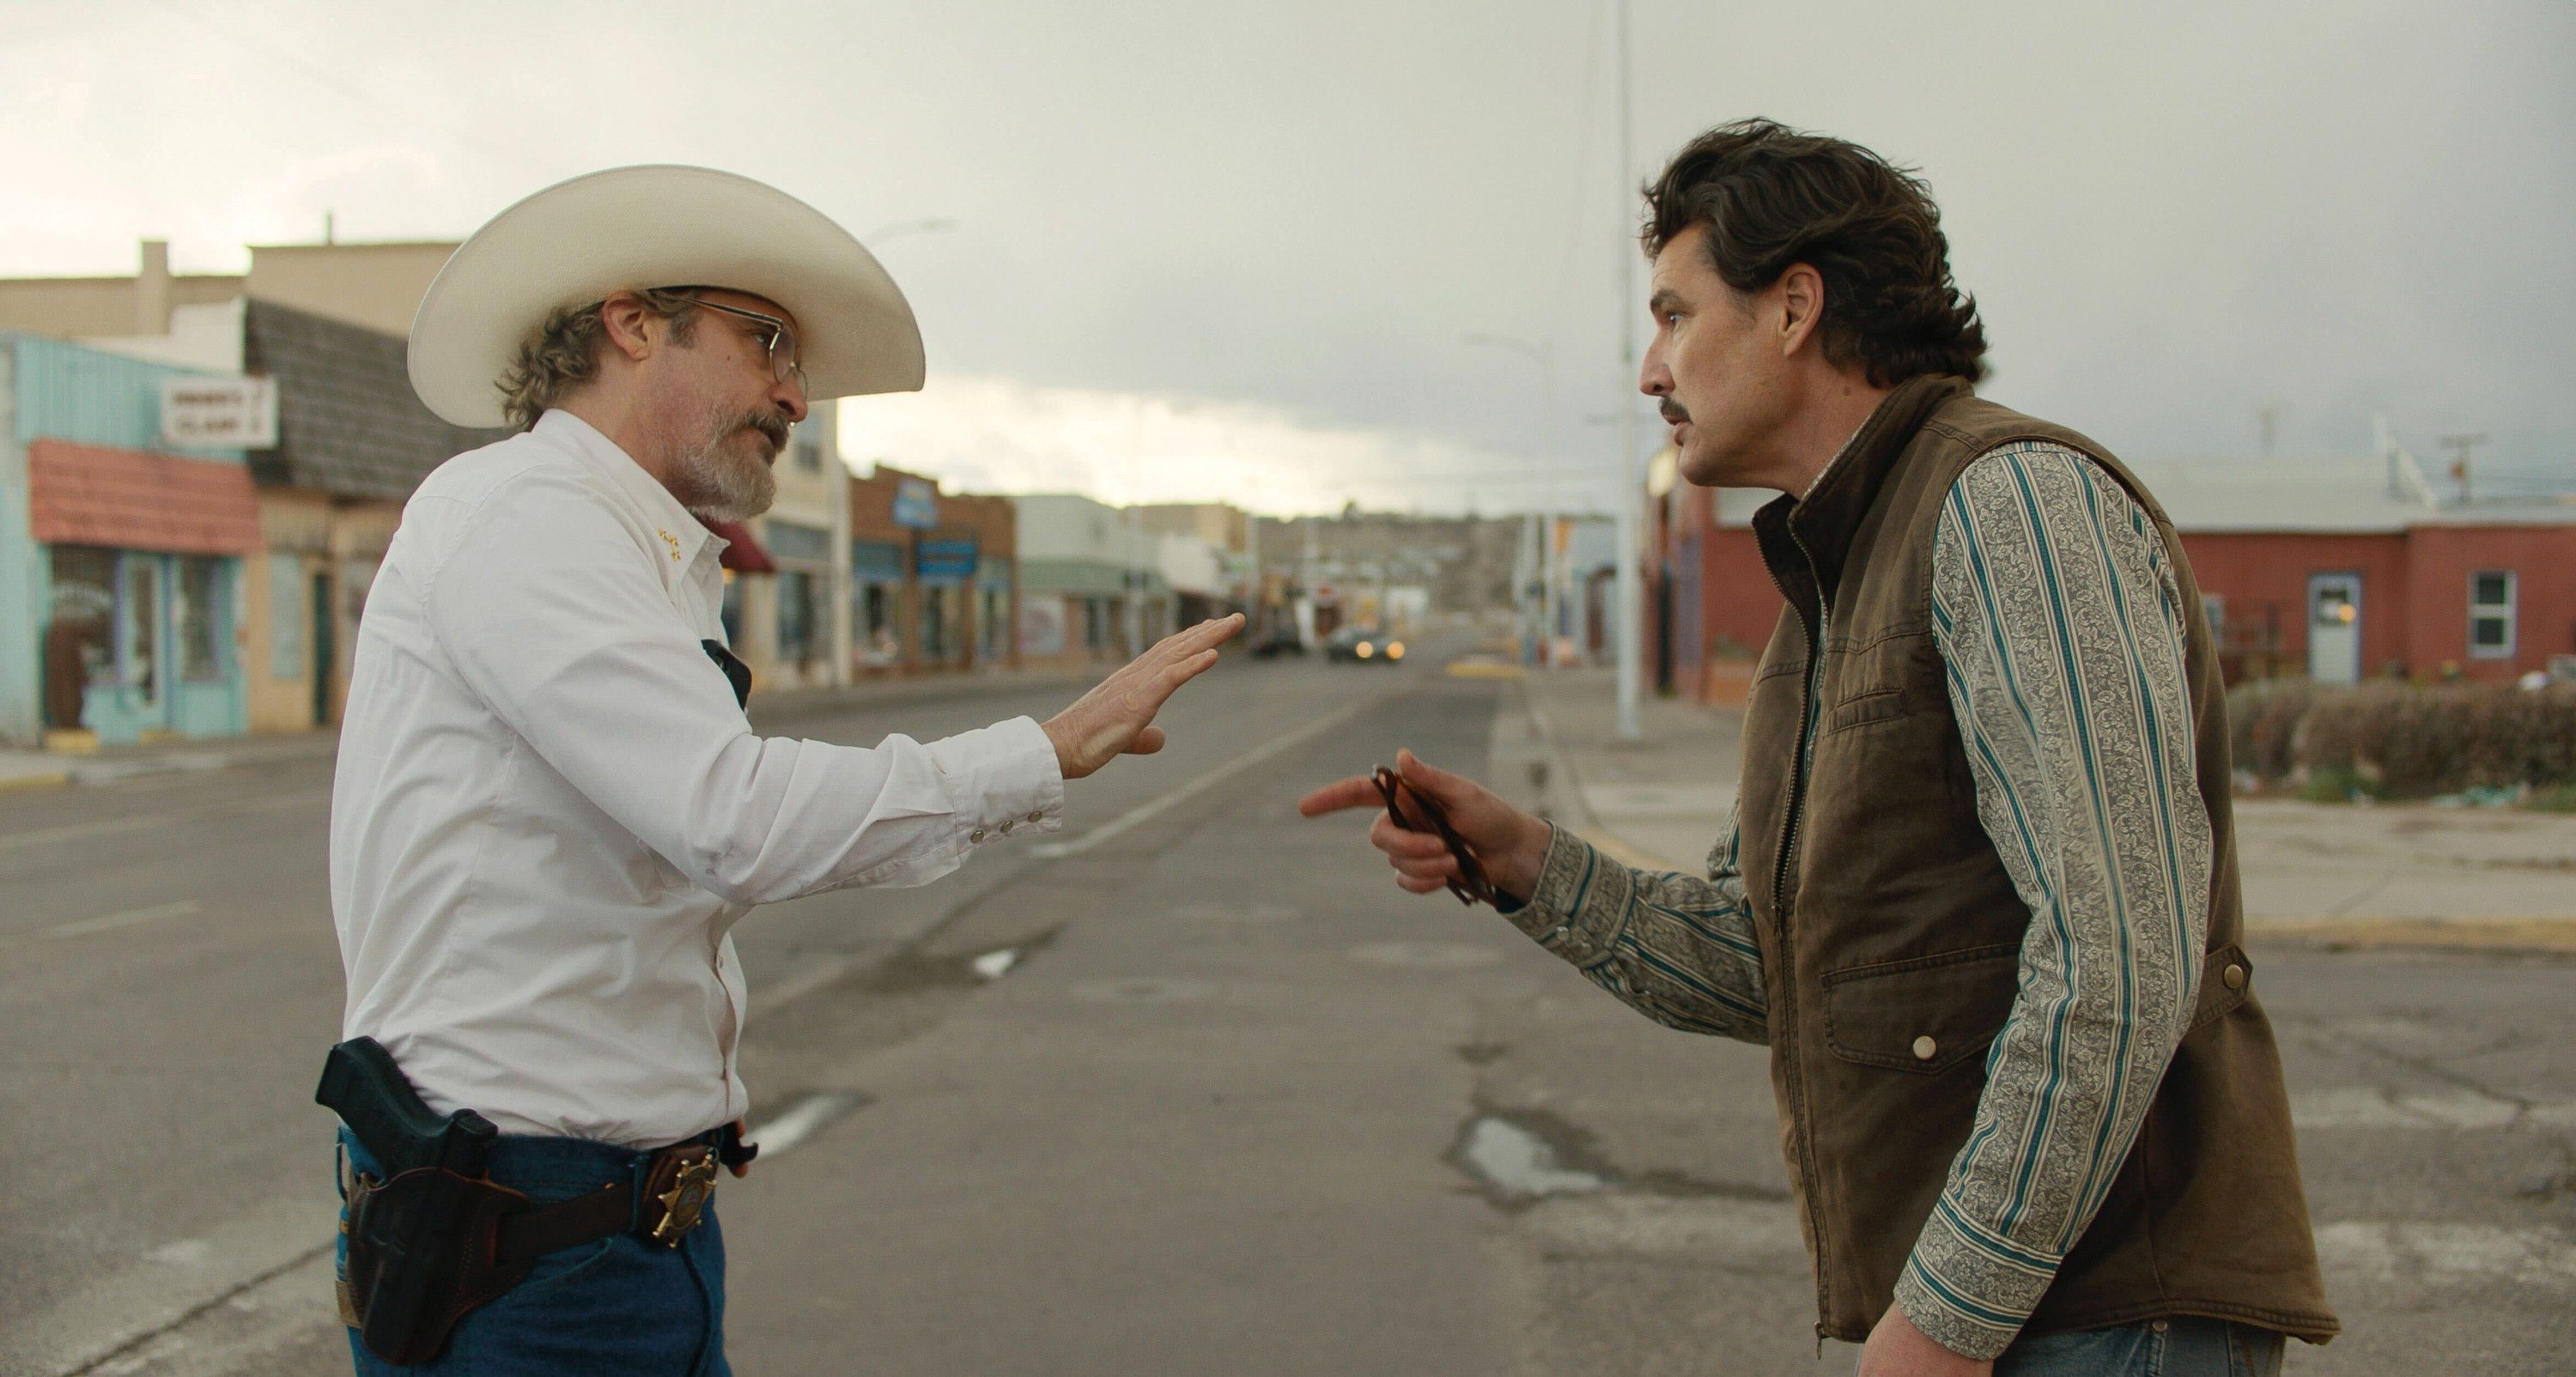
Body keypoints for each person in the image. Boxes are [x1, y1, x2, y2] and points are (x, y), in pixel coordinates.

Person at [1302, 119, 2336, 1377]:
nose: (1649, 368)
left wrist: (1946, 1321)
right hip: (2017, 1319)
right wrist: (1523, 861)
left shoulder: (2009, 506)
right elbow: (1768, 969)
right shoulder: (1829, 594)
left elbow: (2120, 952)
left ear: (1795, 307)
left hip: (2109, 1318)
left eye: (1676, 315)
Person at [329, 165, 1240, 1374]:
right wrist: (1041, 753)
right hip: (523, 1243)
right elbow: (731, 818)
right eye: (767, 344)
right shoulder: (526, 514)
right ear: (633, 320)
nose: (796, 395)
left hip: (609, 1230)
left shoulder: (634, 551)